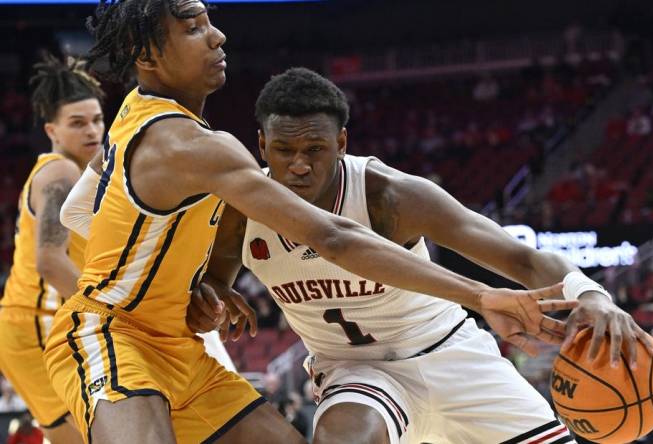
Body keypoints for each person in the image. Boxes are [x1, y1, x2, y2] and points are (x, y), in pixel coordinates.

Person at [48, 2, 578, 443]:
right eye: (193, 27)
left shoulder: (135, 113)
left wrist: (192, 284)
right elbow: (333, 236)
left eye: (208, 21)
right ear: (146, 54)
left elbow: (81, 213)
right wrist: (483, 296)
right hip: (113, 334)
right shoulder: (194, 146)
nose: (217, 35)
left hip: (180, 349)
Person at [188, 67, 652, 444]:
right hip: (356, 372)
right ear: (262, 145)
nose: (300, 165)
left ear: (342, 144)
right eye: (284, 150)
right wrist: (214, 297)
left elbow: (522, 260)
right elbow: (215, 281)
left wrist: (591, 294)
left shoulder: (389, 196)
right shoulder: (239, 208)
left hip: (450, 352)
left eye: (315, 149)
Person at [0, 54, 104, 444]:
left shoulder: (83, 173)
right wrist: (112, 310)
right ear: (52, 130)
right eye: (77, 123)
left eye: (96, 119)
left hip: (46, 325)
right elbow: (49, 260)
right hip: (36, 327)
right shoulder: (60, 171)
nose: (92, 131)